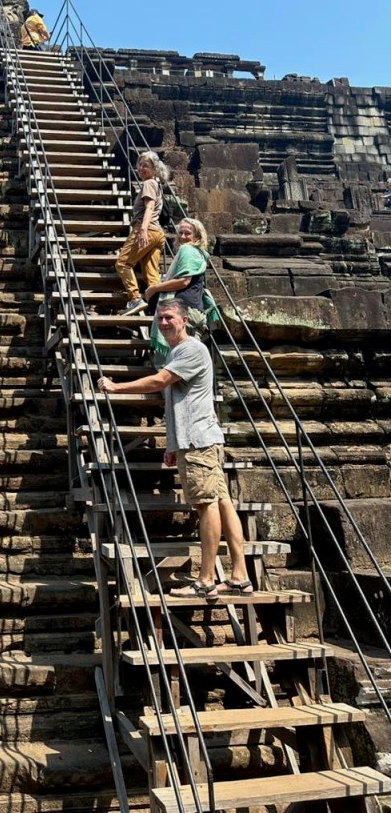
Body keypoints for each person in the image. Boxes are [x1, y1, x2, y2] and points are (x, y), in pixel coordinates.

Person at [98, 297, 252, 599]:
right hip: (197, 439)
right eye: (159, 318)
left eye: (169, 317)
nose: (164, 322)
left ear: (184, 320)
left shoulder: (190, 349)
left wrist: (117, 387)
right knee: (222, 502)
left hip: (197, 442)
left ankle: (206, 580)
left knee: (206, 505)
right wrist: (171, 443)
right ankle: (239, 577)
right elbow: (176, 401)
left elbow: (160, 381)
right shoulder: (176, 351)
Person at [144, 218, 217, 363]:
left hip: (183, 311)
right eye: (180, 233)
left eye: (187, 233)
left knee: (175, 361)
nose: (182, 237)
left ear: (197, 236)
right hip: (196, 313)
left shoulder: (187, 250)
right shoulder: (199, 253)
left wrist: (154, 288)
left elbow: (184, 281)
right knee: (190, 360)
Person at [115, 152, 169, 315]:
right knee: (151, 274)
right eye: (139, 165)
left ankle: (134, 298)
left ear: (154, 169)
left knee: (123, 263)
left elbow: (149, 208)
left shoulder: (149, 183)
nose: (141, 168)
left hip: (147, 229)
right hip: (158, 233)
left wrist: (143, 230)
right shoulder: (157, 185)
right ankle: (160, 308)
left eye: (146, 165)